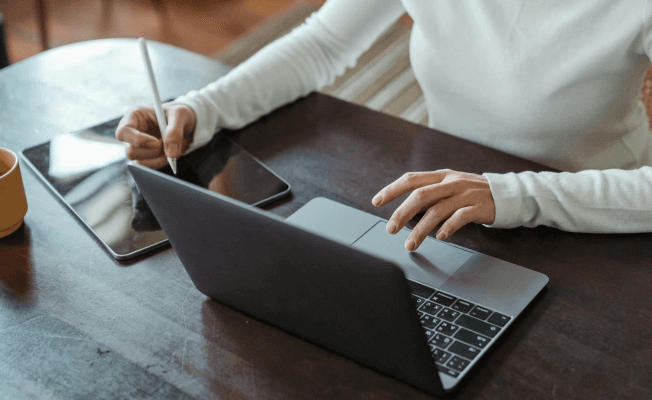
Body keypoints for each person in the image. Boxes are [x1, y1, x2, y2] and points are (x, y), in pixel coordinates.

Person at [116, 0, 652, 252]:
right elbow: (324, 42)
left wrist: (509, 194)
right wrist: (199, 110)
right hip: (445, 206)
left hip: (596, 223)